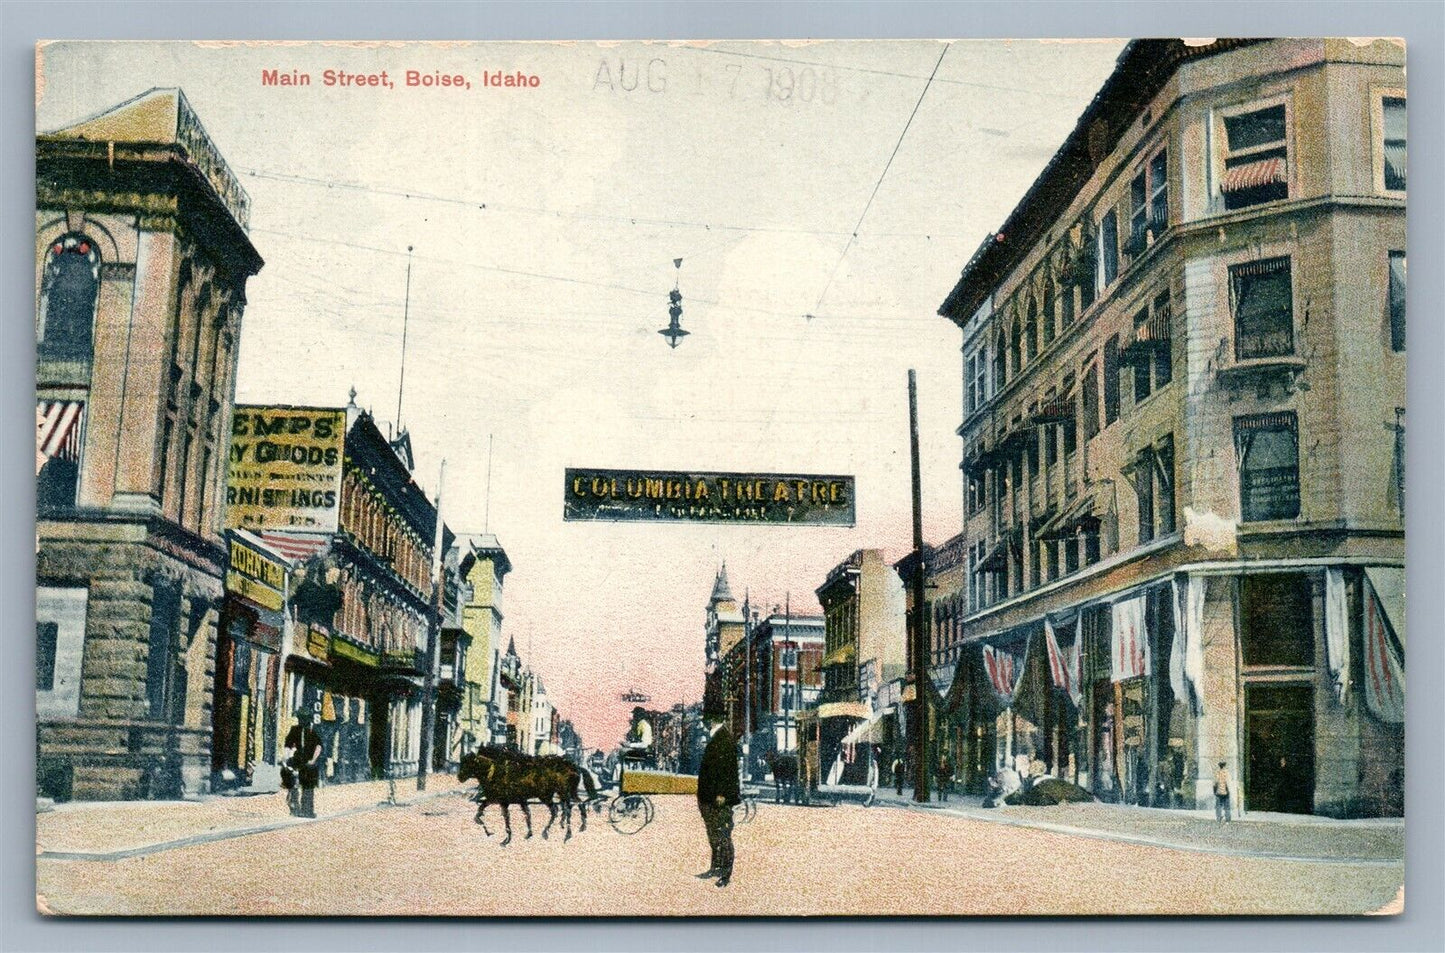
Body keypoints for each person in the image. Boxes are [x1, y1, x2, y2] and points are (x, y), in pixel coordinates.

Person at [695, 719, 741, 887]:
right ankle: (715, 867)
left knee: (723, 835)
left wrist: (722, 793)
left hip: (719, 798)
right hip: (708, 797)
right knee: (713, 835)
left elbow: (728, 771)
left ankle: (726, 874)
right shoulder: (715, 736)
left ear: (713, 720)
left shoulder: (724, 738)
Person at [284, 706, 324, 819]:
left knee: (305, 786)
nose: (301, 721)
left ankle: (303, 810)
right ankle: (300, 809)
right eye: (301, 718)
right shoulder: (298, 729)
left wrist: (312, 760)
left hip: (307, 761)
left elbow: (318, 746)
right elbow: (288, 745)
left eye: (303, 718)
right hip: (301, 761)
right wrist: (287, 760)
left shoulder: (312, 730)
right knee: (301, 786)